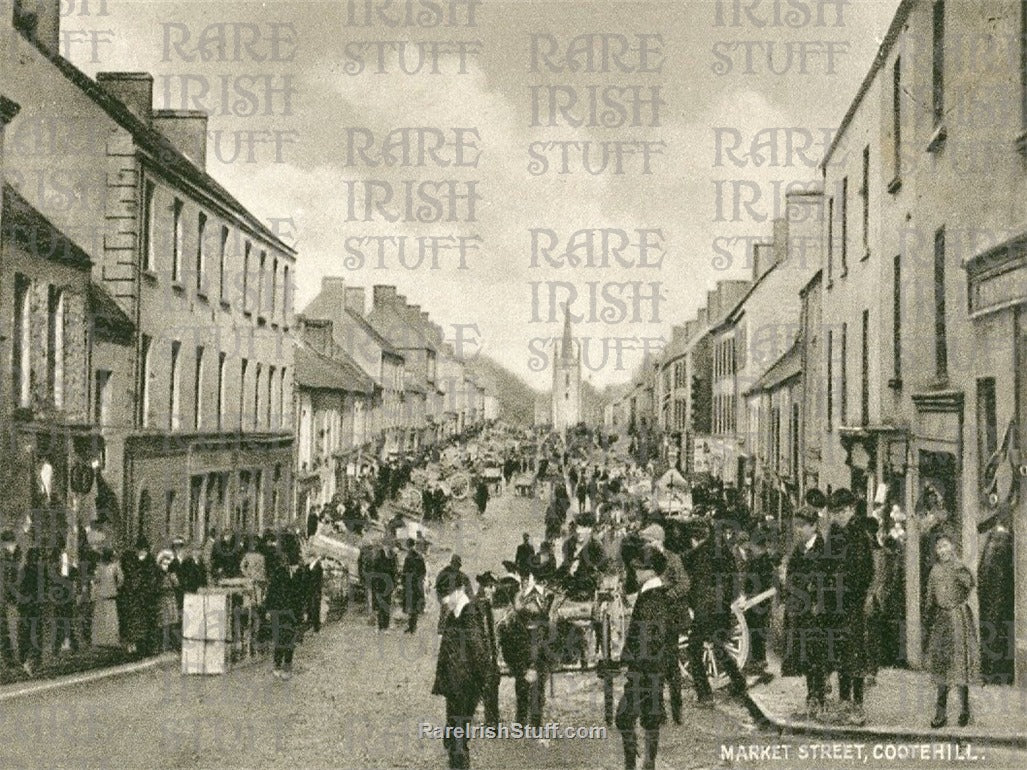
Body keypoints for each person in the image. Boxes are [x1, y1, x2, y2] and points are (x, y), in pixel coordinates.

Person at [616, 545, 675, 770]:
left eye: (639, 569)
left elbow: (649, 638)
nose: (636, 573)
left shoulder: (652, 598)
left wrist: (632, 663)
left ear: (650, 571)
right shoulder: (653, 594)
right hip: (652, 669)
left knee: (624, 718)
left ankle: (634, 764)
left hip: (644, 670)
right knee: (650, 719)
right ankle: (647, 763)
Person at [823, 489, 874, 726]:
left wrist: (858, 594)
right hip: (835, 603)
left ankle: (858, 705)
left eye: (842, 511)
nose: (839, 516)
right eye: (836, 512)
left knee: (855, 653)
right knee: (840, 651)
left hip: (853, 602)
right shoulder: (833, 534)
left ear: (852, 510)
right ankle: (843, 702)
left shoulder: (860, 536)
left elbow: (867, 571)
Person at [432, 576, 493, 769]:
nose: (443, 601)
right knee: (455, 732)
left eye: (446, 595)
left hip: (465, 686)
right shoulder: (457, 613)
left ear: (458, 591)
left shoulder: (469, 613)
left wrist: (481, 682)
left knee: (459, 734)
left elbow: (479, 652)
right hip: (456, 685)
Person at [685, 519, 747, 706]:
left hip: (705, 610)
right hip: (721, 608)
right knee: (719, 647)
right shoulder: (721, 551)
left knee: (693, 651)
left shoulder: (699, 555)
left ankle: (705, 696)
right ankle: (738, 683)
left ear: (695, 539)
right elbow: (733, 577)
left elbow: (694, 585)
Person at [925, 534, 980, 728]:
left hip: (958, 619)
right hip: (941, 620)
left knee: (959, 665)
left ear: (952, 547)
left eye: (945, 546)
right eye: (939, 548)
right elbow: (930, 599)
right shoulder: (934, 571)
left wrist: (959, 567)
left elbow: (971, 584)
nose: (942, 551)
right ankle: (941, 714)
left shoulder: (959, 567)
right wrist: (928, 622)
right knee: (941, 666)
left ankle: (965, 709)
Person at [780, 508, 829, 721]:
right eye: (797, 526)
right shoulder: (798, 550)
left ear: (814, 526)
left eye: (803, 526)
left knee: (817, 655)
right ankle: (811, 696)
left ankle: (819, 698)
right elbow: (790, 576)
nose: (799, 530)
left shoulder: (823, 549)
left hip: (816, 613)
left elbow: (826, 580)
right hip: (800, 610)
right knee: (806, 655)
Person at [639, 523, 689, 724]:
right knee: (654, 668)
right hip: (652, 621)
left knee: (671, 668)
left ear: (659, 541)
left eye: (649, 541)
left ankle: (677, 712)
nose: (647, 545)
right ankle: (659, 712)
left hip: (670, 619)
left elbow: (685, 584)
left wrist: (666, 595)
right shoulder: (645, 560)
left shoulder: (673, 559)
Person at [265, 537, 305, 679]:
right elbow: (271, 592)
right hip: (278, 610)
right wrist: (268, 610)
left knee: (290, 640)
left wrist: (302, 612)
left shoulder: (300, 575)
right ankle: (277, 664)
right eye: (294, 566)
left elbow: (301, 595)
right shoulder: (278, 573)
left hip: (292, 612)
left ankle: (287, 666)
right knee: (278, 638)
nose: (295, 569)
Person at [120, 538, 161, 655]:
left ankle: (148, 647)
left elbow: (155, 578)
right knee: (137, 623)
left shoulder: (151, 562)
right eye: (140, 551)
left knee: (148, 623)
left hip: (147, 598)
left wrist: (152, 589)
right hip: (136, 598)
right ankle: (138, 646)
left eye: (143, 551)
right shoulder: (134, 561)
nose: (141, 553)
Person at [474, 572, 502, 726]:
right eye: (491, 586)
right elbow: (485, 631)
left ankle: (492, 720)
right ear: (485, 588)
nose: (494, 590)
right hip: (482, 654)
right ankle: (492, 722)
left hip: (486, 654)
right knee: (489, 685)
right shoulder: (481, 605)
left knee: (490, 685)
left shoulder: (484, 603)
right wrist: (490, 654)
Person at [90, 548, 123, 648]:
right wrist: (116, 587)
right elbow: (121, 580)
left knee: (101, 618)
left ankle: (100, 640)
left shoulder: (100, 567)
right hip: (111, 595)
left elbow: (96, 580)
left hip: (101, 595)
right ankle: (111, 640)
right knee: (111, 619)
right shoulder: (115, 567)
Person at [0, 531, 20, 668]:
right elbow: (7, 582)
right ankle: (9, 661)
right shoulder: (5, 559)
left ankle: (9, 660)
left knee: (4, 630)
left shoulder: (6, 558)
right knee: (3, 630)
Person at [369, 542, 398, 632]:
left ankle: (383, 626)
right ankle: (382, 626)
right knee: (382, 606)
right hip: (382, 585)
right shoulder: (383, 558)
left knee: (383, 606)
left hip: (383, 585)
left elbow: (394, 572)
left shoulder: (387, 558)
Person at [155, 550, 181, 651]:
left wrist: (172, 576)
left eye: (167, 564)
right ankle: (164, 646)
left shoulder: (171, 574)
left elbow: (177, 584)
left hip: (171, 599)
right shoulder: (158, 575)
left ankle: (173, 645)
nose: (165, 566)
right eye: (164, 564)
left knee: (172, 623)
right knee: (164, 623)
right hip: (162, 600)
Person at [401, 539, 426, 634]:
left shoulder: (408, 557)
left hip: (411, 583)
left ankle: (412, 627)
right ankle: (412, 626)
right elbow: (423, 571)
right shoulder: (420, 556)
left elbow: (405, 571)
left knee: (412, 605)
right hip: (417, 584)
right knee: (414, 605)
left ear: (408, 545)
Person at [305, 553, 324, 633]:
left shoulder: (318, 567)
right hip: (310, 590)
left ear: (312, 558)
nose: (307, 560)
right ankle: (310, 625)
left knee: (315, 609)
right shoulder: (309, 566)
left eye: (308, 558)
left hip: (315, 591)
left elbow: (316, 581)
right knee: (310, 607)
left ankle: (316, 628)